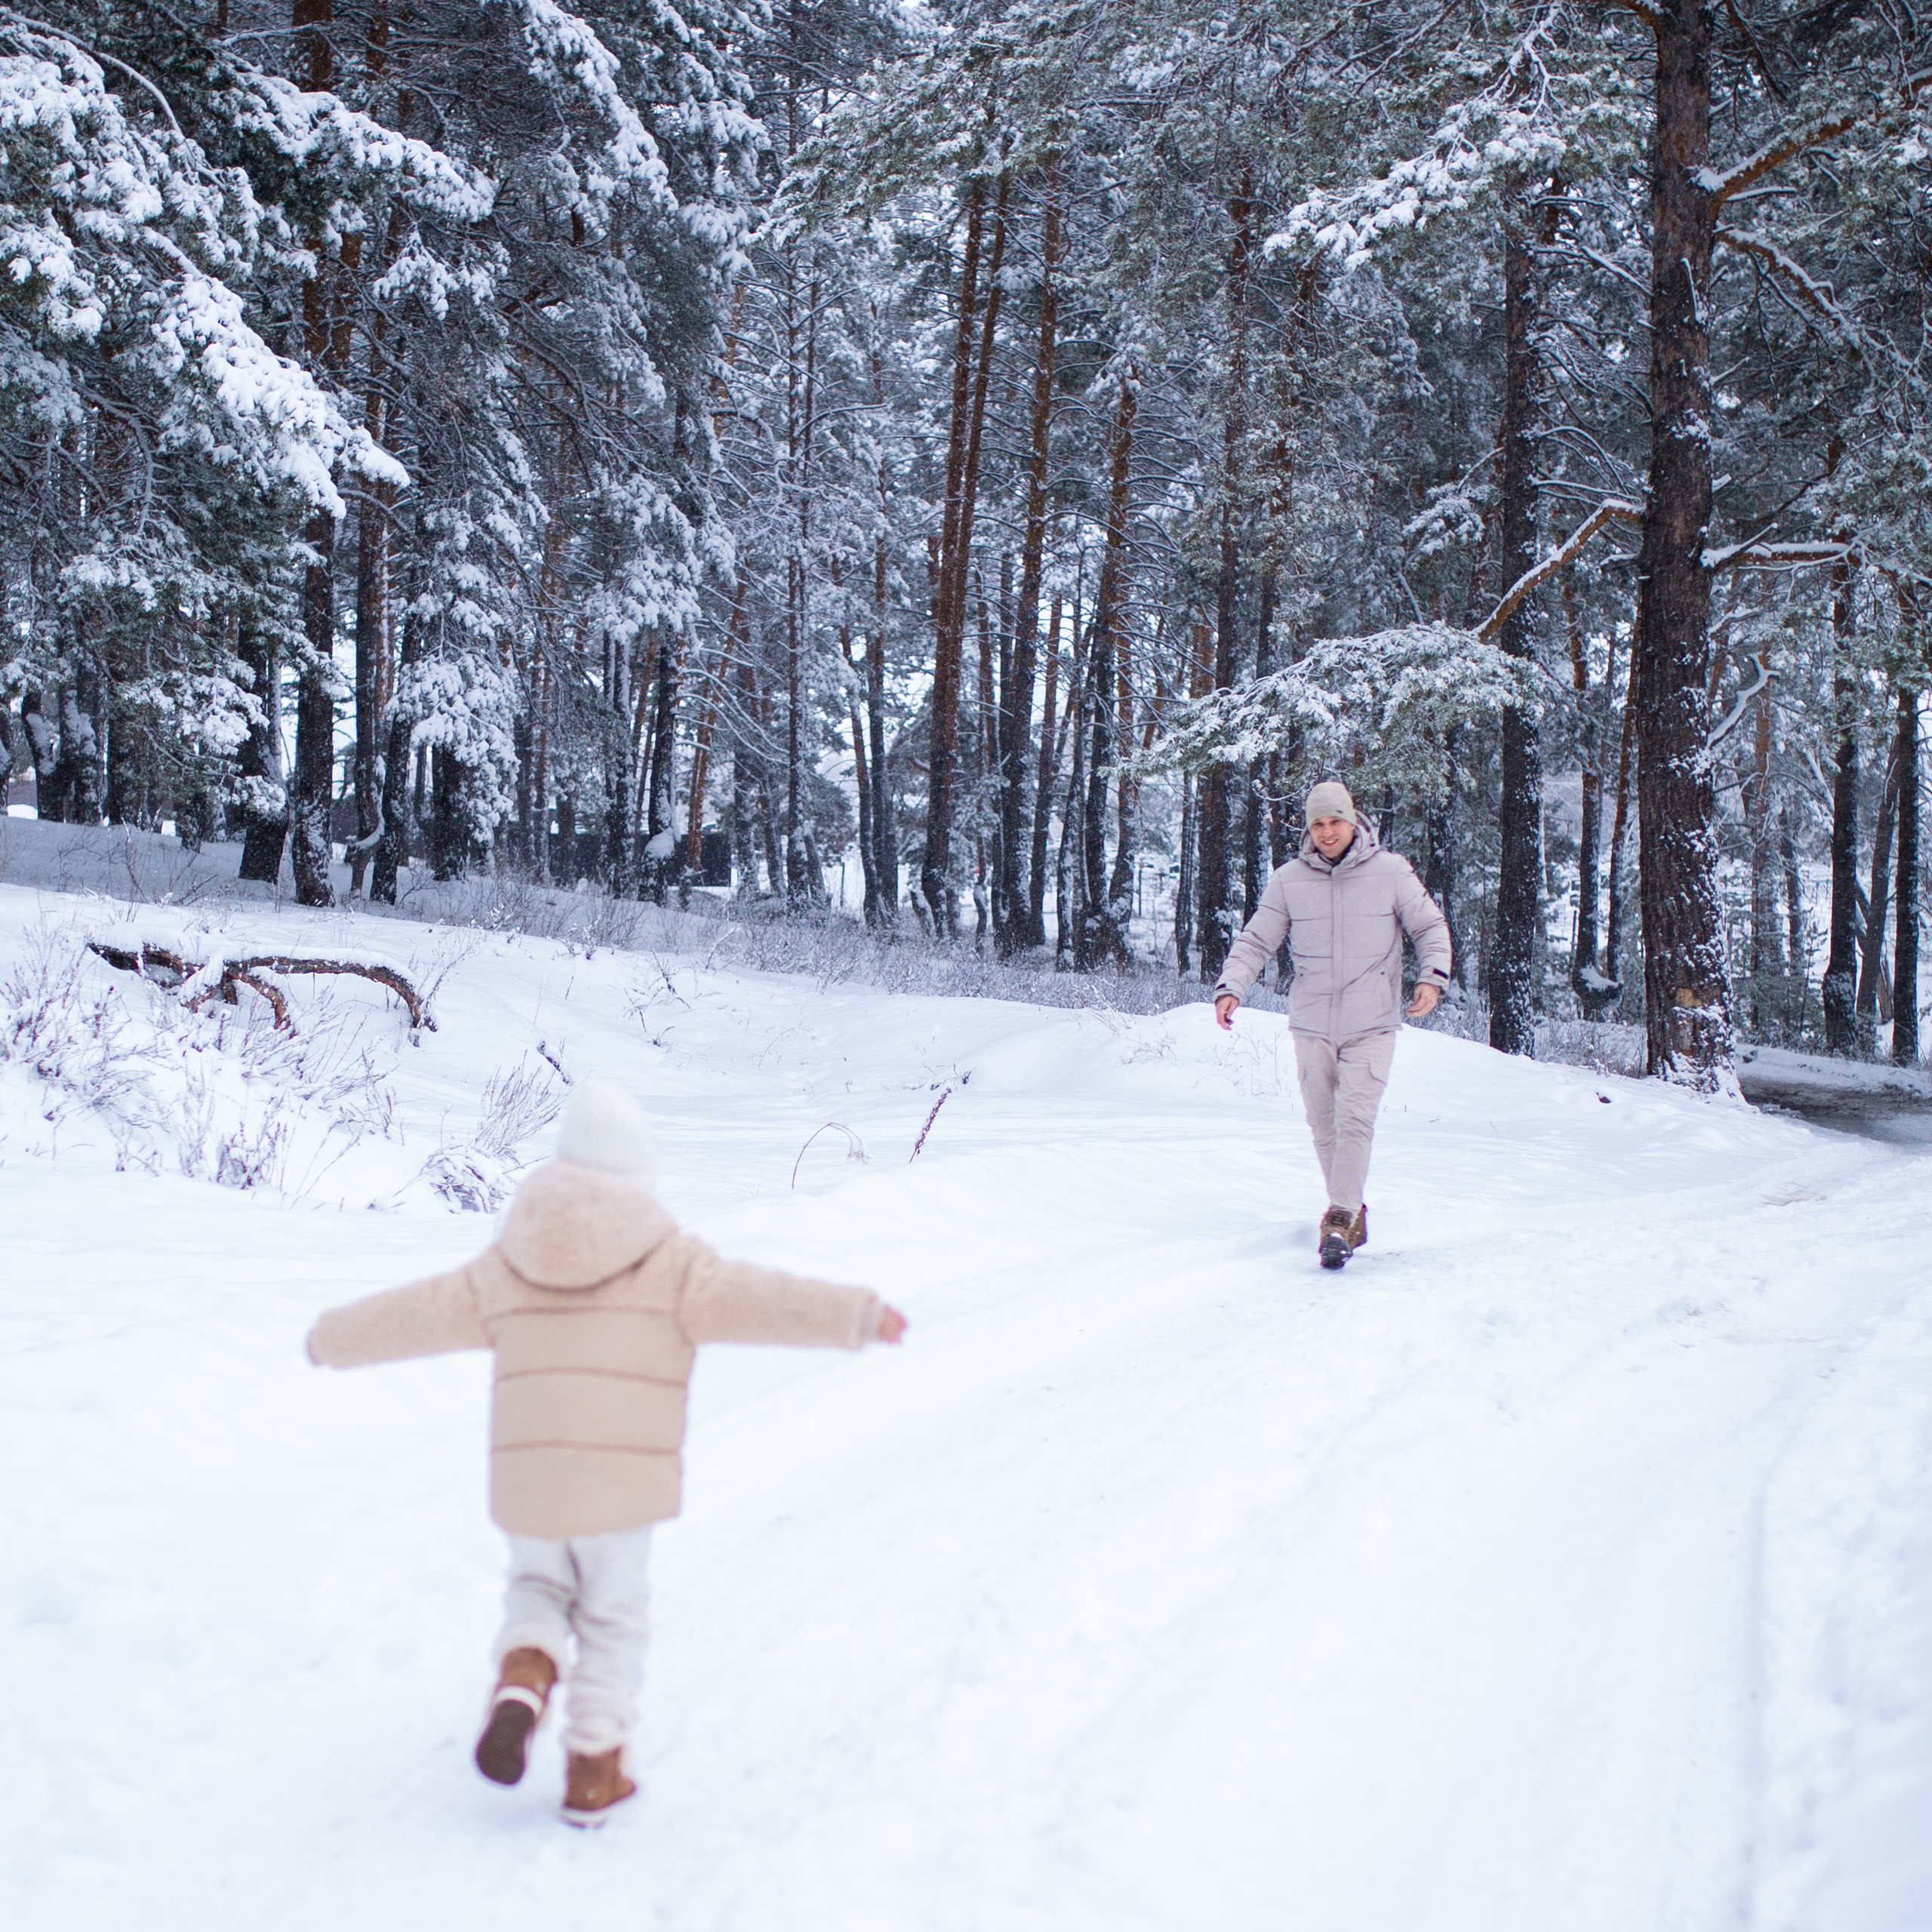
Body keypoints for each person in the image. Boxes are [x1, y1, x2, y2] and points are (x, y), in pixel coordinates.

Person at [304, 1080, 906, 1826]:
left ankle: (526, 1672)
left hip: (530, 1483)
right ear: (639, 1173)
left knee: (537, 1587)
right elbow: (763, 1299)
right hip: (621, 1487)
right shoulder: (674, 1264)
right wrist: (856, 1316)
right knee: (613, 1617)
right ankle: (594, 1766)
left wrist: (332, 1338)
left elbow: (417, 1312)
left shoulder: (506, 1263)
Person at [1214, 780, 1452, 1271]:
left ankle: (1340, 1218)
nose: (1327, 832)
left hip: (1372, 1022)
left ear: (1353, 820)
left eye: (1335, 821)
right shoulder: (1289, 880)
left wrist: (1432, 978)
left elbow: (1429, 926)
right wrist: (1232, 985)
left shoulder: (1390, 872)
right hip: (1312, 1023)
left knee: (1354, 1120)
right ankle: (1350, 1213)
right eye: (1318, 824)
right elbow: (1257, 939)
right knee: (1324, 1126)